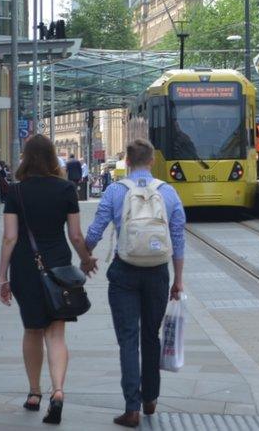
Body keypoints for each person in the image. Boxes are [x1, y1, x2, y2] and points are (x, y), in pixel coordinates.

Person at [85, 139, 186, 427]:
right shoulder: (168, 192)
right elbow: (178, 238)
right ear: (152, 161)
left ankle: (131, 408)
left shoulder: (116, 191)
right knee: (150, 336)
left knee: (128, 339)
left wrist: (85, 255)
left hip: (124, 272)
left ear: (127, 162)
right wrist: (178, 280)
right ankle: (151, 399)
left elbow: (96, 230)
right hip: (157, 272)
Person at [0, 134, 98, 424]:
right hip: (58, 269)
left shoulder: (16, 193)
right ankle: (58, 391)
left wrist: (2, 276)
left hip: (26, 270)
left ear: (25, 158)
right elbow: (76, 235)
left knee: (32, 330)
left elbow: (9, 238)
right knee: (55, 333)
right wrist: (87, 260)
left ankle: (33, 393)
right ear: (54, 157)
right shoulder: (66, 188)